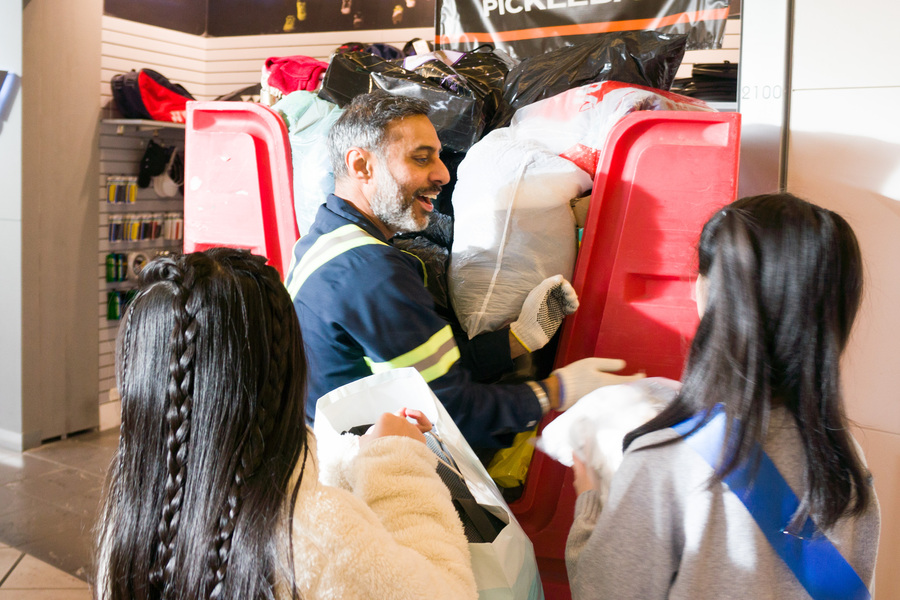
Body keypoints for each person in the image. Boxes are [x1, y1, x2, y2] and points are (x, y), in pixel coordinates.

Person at [93, 248, 478, 600]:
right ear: (283, 367)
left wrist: (349, 462)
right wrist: (396, 465)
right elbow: (449, 590)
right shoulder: (320, 539)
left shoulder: (128, 524)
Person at [565, 193, 881, 598]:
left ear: (713, 295)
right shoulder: (846, 463)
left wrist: (590, 504)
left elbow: (602, 592)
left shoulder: (667, 459)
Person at [285, 90, 641, 449]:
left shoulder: (320, 239)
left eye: (438, 158)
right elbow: (451, 414)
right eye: (421, 159)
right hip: (370, 472)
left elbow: (417, 373)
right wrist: (554, 391)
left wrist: (516, 339)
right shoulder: (371, 273)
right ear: (362, 166)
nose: (442, 174)